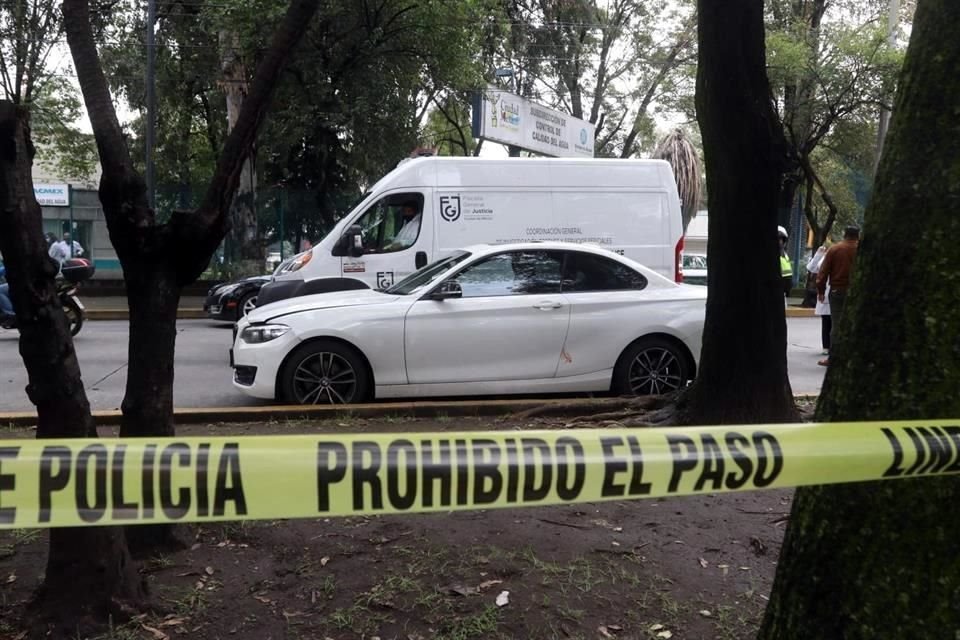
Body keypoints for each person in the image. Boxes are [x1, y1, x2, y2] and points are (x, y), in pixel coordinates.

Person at [816, 225, 860, 366]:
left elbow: (823, 272)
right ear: (858, 235)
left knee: (837, 324)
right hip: (857, 292)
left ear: (844, 234)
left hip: (838, 291)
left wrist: (821, 291)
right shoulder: (862, 249)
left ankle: (834, 357)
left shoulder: (835, 249)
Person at [806, 244, 831, 356]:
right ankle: (826, 347)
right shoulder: (824, 258)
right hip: (825, 294)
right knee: (826, 321)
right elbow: (811, 268)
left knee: (834, 322)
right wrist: (818, 254)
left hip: (834, 291)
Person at [778, 226, 793, 301]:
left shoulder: (785, 254)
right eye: (778, 239)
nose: (780, 241)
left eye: (781, 239)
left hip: (785, 288)